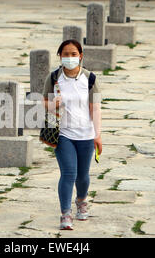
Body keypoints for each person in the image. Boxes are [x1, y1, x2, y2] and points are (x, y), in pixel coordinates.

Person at [42, 39, 102, 230]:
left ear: (80, 56)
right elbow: (44, 102)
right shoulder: (53, 78)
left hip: (85, 134)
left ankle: (82, 200)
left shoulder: (90, 79)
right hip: (63, 134)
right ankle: (65, 214)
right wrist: (53, 105)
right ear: (60, 56)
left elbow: (96, 108)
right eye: (65, 54)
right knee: (68, 173)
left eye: (73, 54)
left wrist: (98, 135)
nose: (69, 58)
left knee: (82, 176)